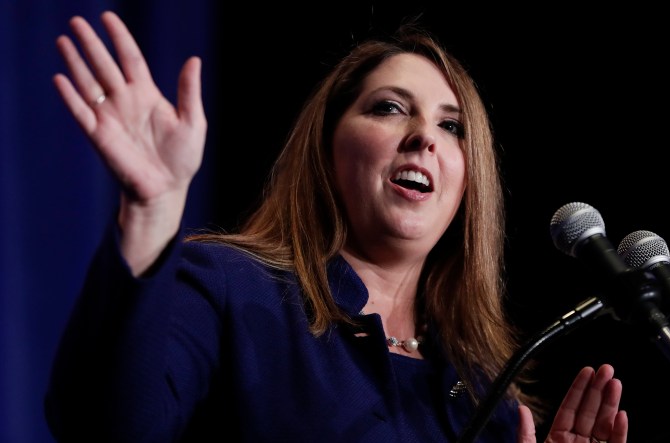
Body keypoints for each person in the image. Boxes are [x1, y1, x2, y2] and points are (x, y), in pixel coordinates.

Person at [45, 10, 629, 443]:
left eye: (453, 127)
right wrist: (152, 211)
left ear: (469, 185)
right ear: (327, 152)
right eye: (389, 107)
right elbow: (109, 426)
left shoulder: (486, 392)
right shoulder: (231, 286)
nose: (425, 135)